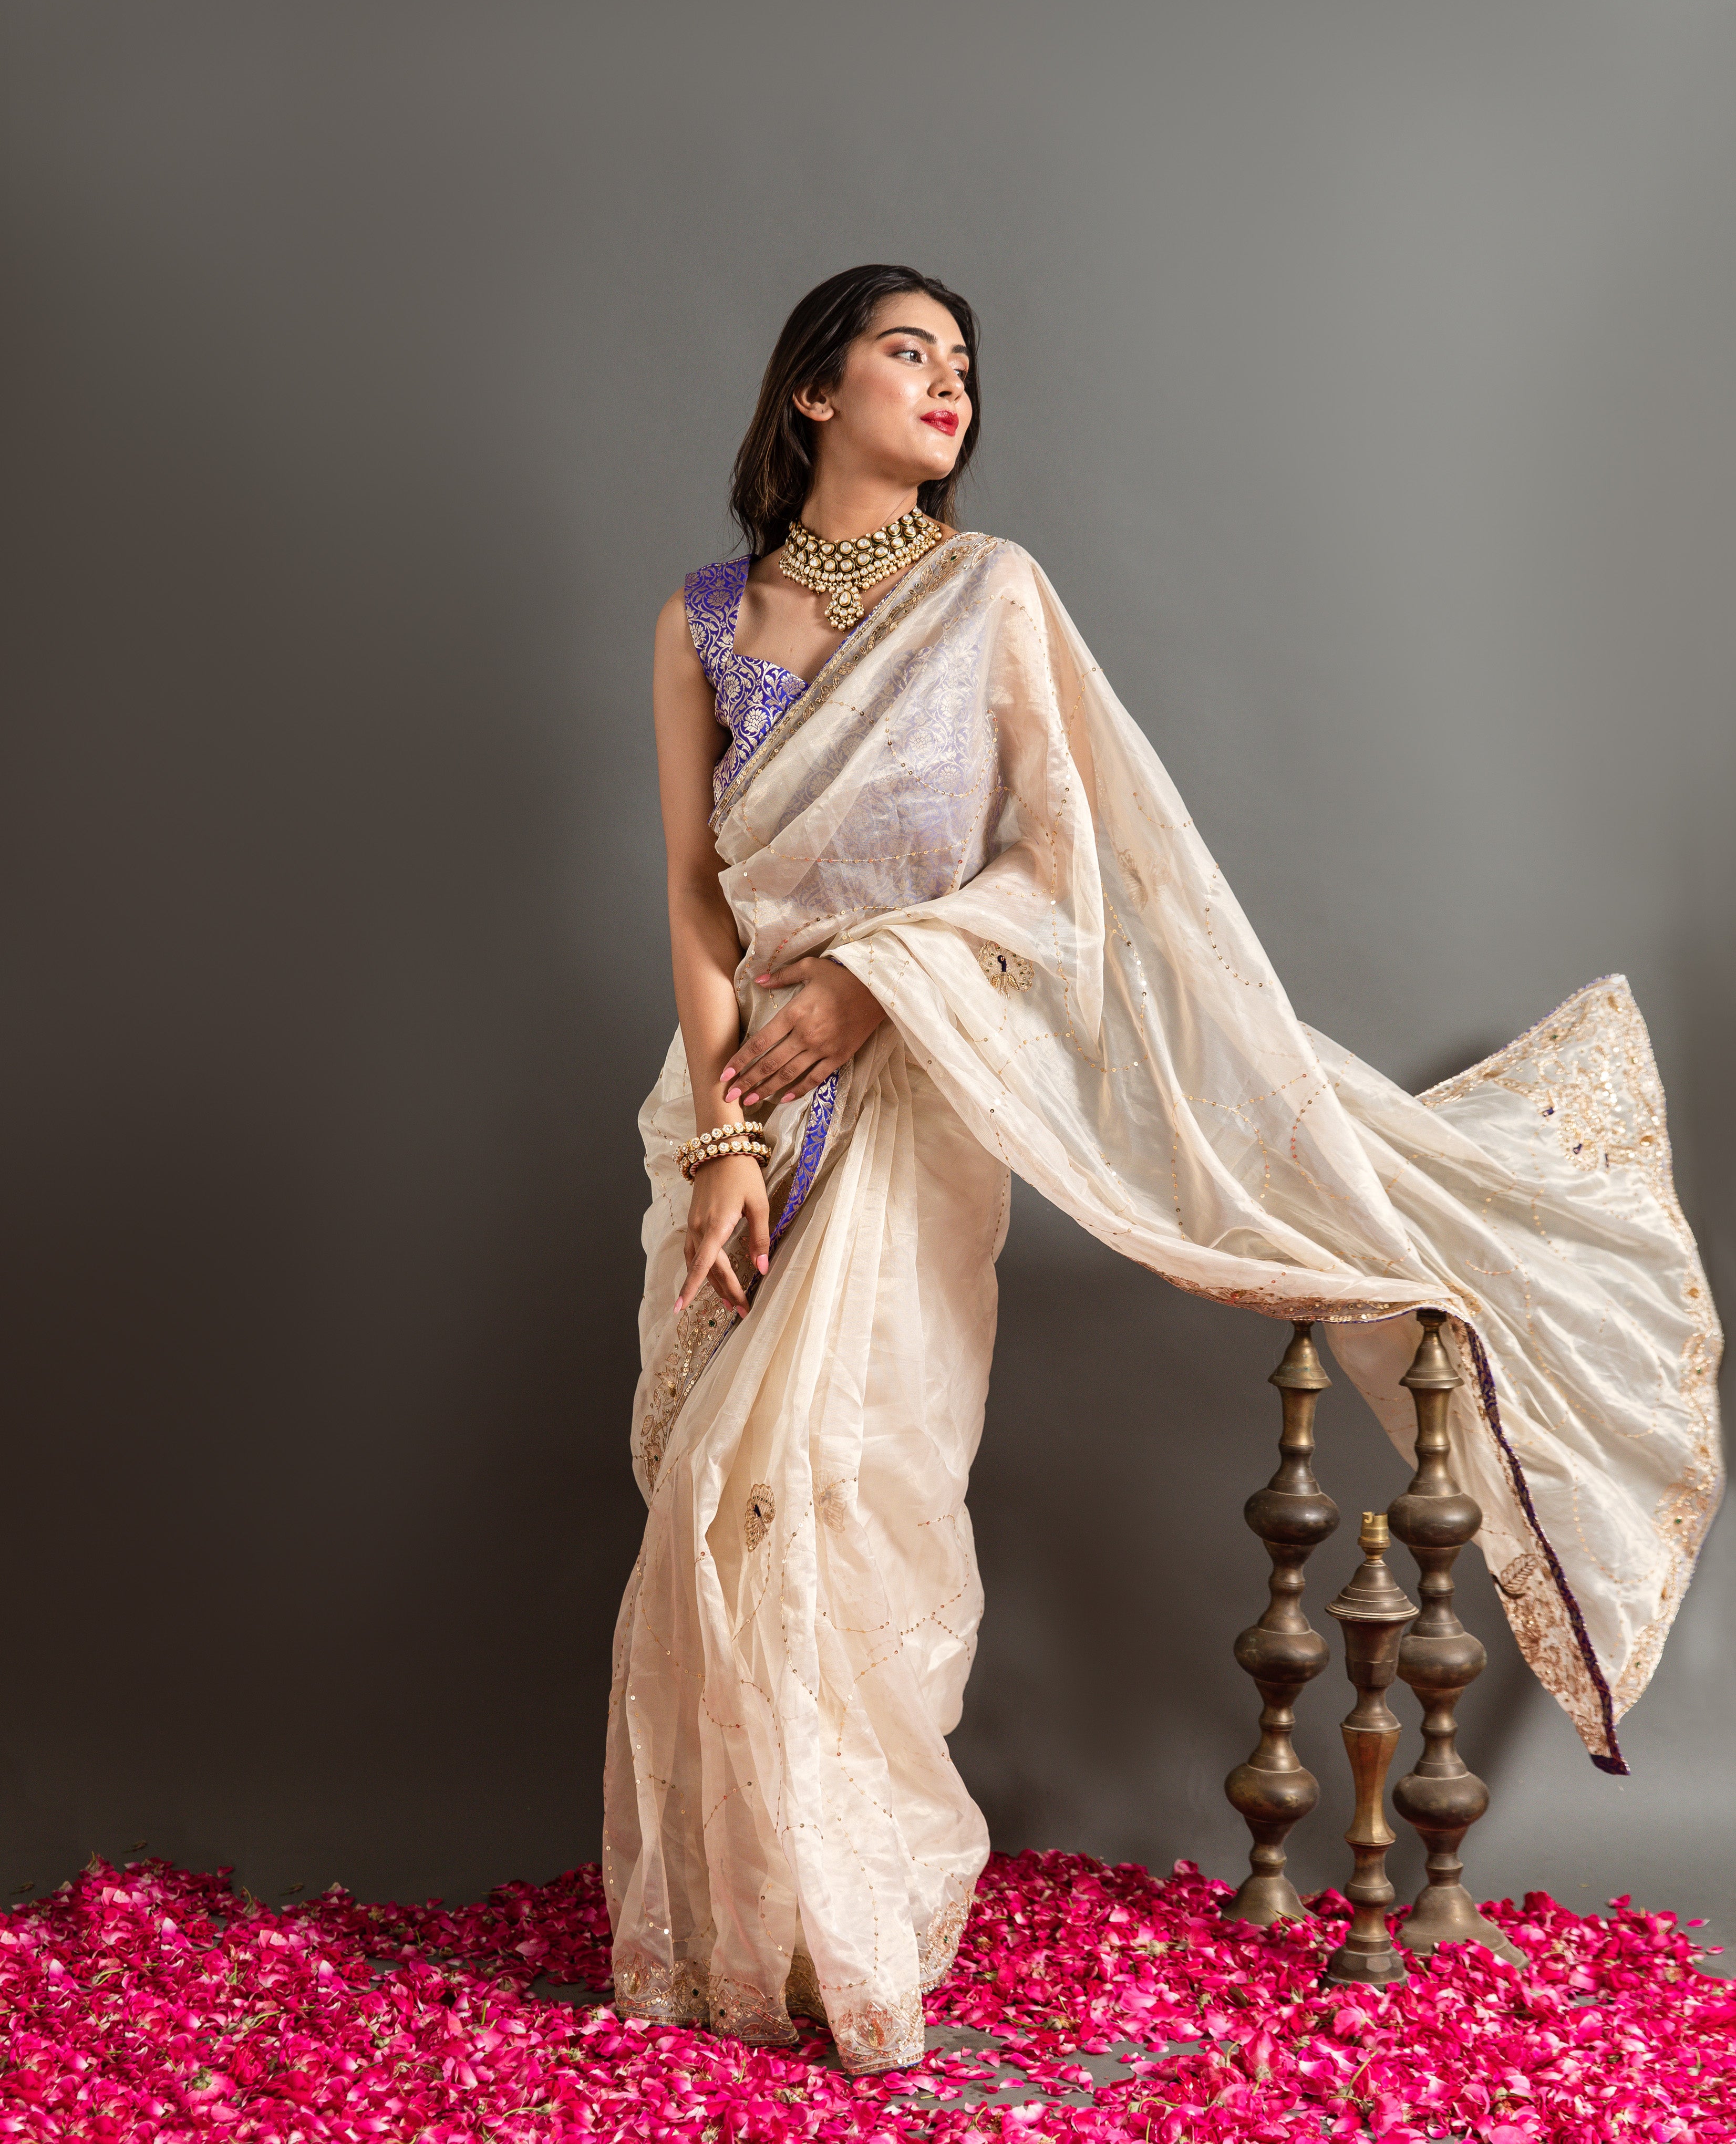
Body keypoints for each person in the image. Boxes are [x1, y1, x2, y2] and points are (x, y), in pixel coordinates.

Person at [603, 263, 1722, 2074]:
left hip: (923, 1090)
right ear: (813, 389)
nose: (949, 385)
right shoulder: (702, 621)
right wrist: (729, 1140)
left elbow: (1058, 871)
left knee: (845, 1484)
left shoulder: (991, 593)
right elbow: (695, 893)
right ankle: (752, 1935)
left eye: (965, 364)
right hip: (744, 1110)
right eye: (907, 353)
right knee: (718, 1503)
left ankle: (859, 1924)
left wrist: (875, 989)